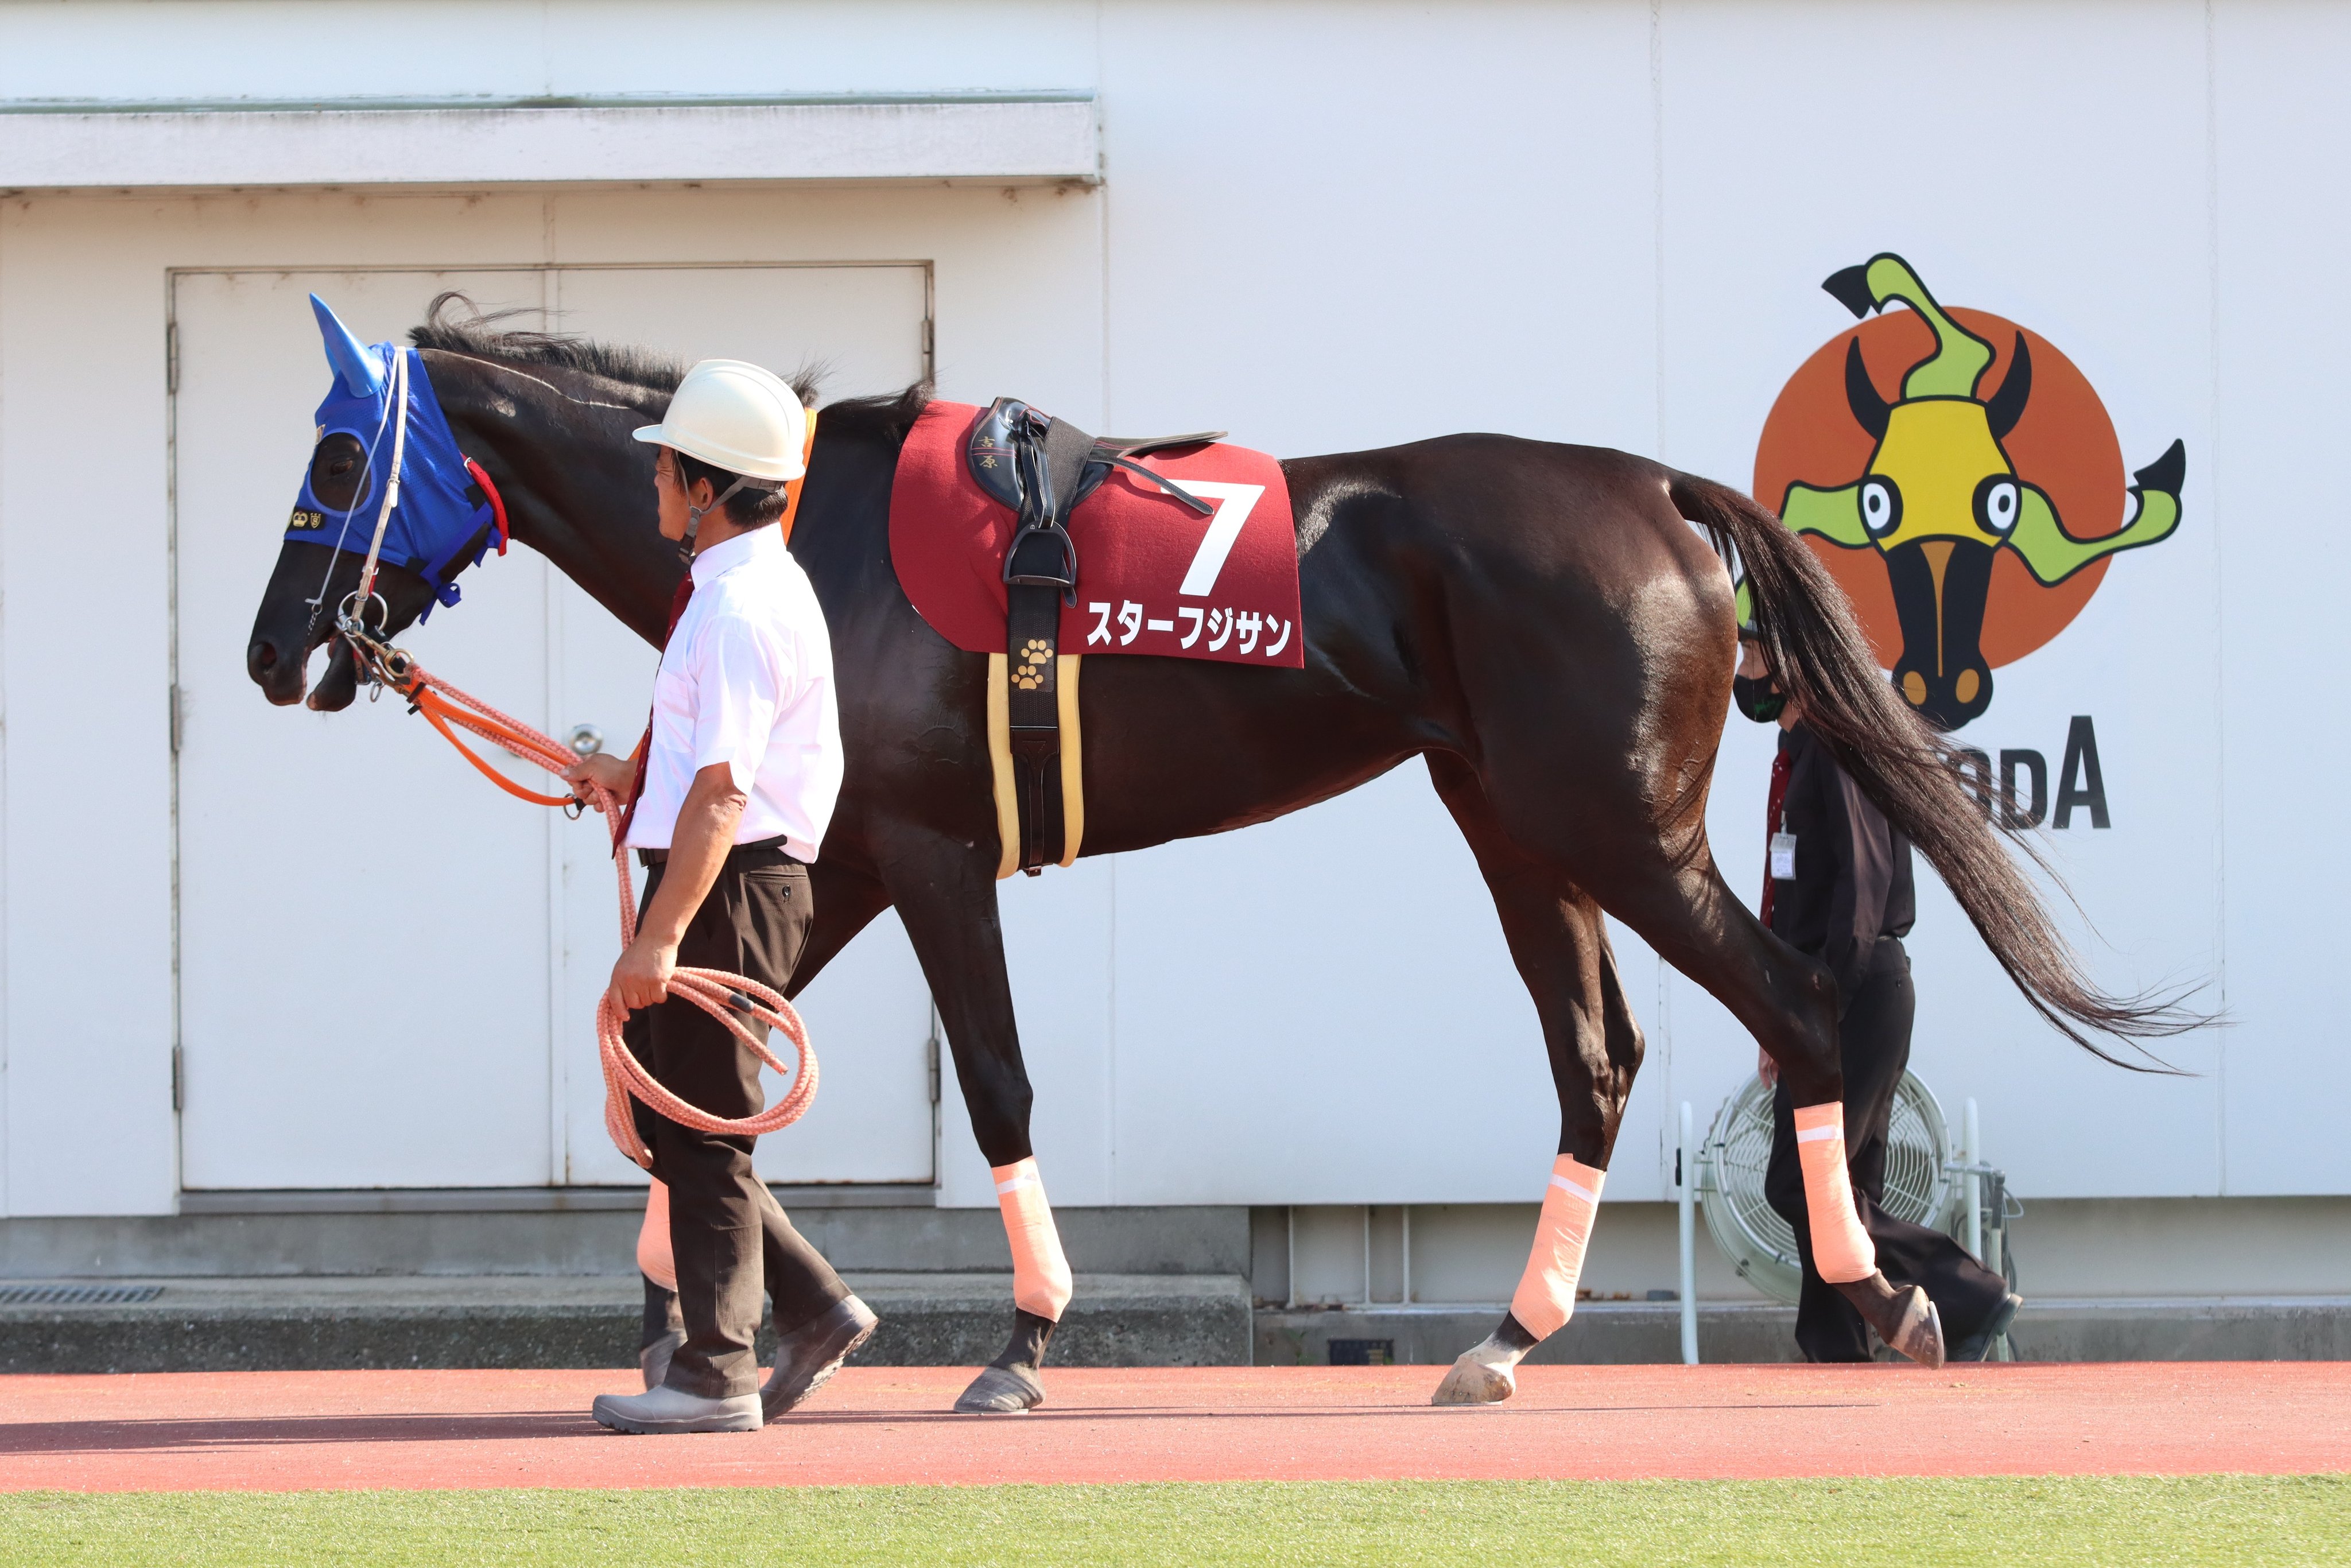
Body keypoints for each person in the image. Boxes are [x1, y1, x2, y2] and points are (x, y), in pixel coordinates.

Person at [565, 359, 874, 1434]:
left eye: (665, 463)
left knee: (704, 1131)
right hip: (735, 877)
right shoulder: (738, 589)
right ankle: (811, 1309)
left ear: (704, 487)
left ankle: (717, 1371)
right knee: (687, 1122)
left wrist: (656, 940)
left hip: (732, 881)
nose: (652, 476)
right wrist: (623, 776)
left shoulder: (736, 605)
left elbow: (724, 788)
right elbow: (703, 763)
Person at [1735, 628, 2022, 1363]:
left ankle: (1965, 1293)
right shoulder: (1797, 756)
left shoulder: (1835, 749)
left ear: (1795, 659)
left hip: (1852, 993)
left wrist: (1814, 1008)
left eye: (1753, 654)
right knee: (1840, 1185)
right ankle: (1835, 1343)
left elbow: (1859, 900)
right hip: (1825, 993)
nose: (1742, 672)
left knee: (1801, 1182)